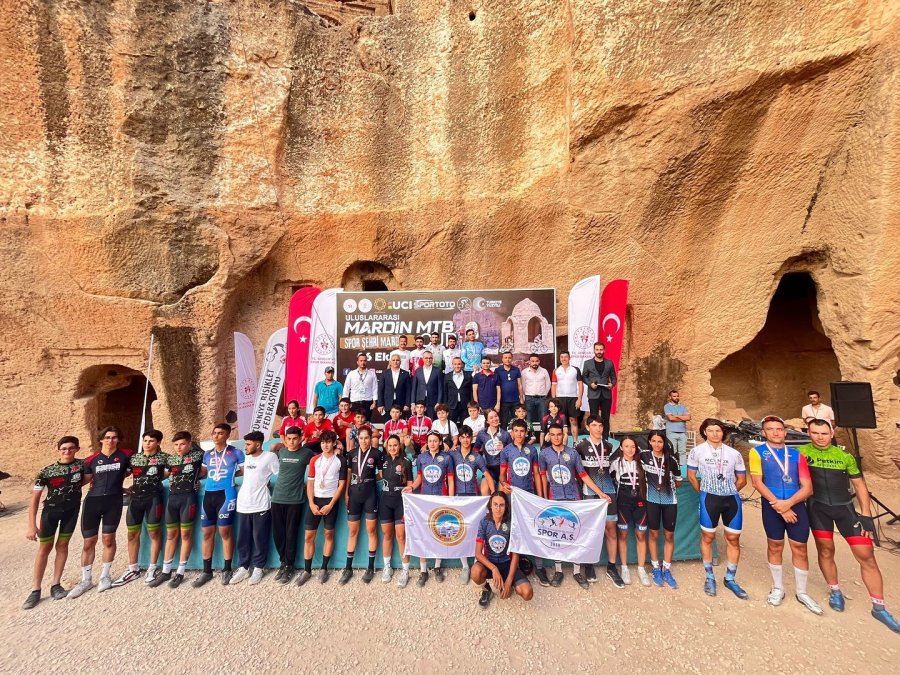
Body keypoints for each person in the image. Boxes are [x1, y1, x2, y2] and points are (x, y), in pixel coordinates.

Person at [799, 419, 900, 632]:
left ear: (832, 432)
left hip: (845, 509)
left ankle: (879, 607)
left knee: (867, 555)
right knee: (826, 550)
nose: (819, 437)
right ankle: (835, 590)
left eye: (824, 433)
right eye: (815, 433)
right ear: (808, 433)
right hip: (818, 509)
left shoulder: (845, 457)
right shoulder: (801, 453)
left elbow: (860, 485)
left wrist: (865, 516)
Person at [748, 416, 821, 614]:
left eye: (779, 429)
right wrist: (780, 507)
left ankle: (802, 591)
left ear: (785, 432)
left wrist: (788, 505)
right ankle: (778, 587)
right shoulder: (757, 452)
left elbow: (808, 488)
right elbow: (757, 482)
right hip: (772, 505)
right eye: (770, 429)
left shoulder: (797, 455)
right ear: (763, 432)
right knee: (775, 545)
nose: (775, 432)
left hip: (794, 504)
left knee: (800, 547)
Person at [539, 424, 610, 588]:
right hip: (554, 498)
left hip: (573, 498)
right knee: (556, 535)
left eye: (559, 435)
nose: (556, 438)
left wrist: (600, 493)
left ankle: (577, 571)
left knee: (575, 534)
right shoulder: (544, 454)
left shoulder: (572, 453)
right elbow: (543, 476)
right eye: (553, 435)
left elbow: (583, 475)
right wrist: (543, 497)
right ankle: (559, 570)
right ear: (549, 436)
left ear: (564, 436)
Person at [687, 418, 748, 599]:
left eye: (718, 430)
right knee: (708, 536)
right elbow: (691, 476)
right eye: (711, 430)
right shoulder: (696, 451)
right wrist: (705, 492)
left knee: (733, 539)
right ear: (704, 432)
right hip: (709, 498)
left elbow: (742, 479)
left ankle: (730, 578)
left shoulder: (733, 453)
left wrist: (728, 491)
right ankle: (709, 576)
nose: (715, 434)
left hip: (731, 499)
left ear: (723, 433)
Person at [68, 426, 132, 599]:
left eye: (114, 437)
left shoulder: (126, 455)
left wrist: (129, 488)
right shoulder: (91, 459)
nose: (110, 440)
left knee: (108, 539)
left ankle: (105, 575)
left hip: (113, 501)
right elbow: (84, 481)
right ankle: (86, 580)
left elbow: (140, 470)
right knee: (89, 541)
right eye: (107, 437)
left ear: (118, 439)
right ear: (101, 440)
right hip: (93, 501)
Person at [23, 436, 87, 609]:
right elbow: (35, 499)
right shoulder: (47, 471)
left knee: (62, 546)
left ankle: (56, 584)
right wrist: (32, 525)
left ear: (77, 449)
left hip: (71, 512)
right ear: (59, 450)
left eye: (71, 448)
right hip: (50, 513)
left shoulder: (82, 466)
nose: (67, 451)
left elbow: (88, 479)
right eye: (64, 449)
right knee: (44, 549)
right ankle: (35, 590)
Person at [148, 431, 204, 589]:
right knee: (171, 535)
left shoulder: (197, 456)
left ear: (190, 443)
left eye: (183, 444)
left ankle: (180, 572)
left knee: (186, 534)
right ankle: (166, 571)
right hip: (173, 499)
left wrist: (199, 480)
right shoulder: (170, 459)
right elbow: (162, 472)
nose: (179, 447)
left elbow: (208, 467)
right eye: (176, 445)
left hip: (188, 498)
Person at [193, 423, 245, 588]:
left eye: (220, 433)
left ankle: (227, 568)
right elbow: (203, 473)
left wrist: (231, 475)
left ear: (227, 435)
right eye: (214, 433)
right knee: (207, 532)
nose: (216, 436)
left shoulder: (236, 452)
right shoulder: (207, 454)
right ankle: (207, 571)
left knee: (225, 532)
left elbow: (244, 471)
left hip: (226, 494)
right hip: (209, 495)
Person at [113, 429, 167, 588]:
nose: (147, 444)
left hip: (154, 498)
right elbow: (122, 474)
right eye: (145, 441)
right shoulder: (134, 458)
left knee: (154, 533)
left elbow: (173, 471)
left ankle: (152, 568)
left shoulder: (164, 457)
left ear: (158, 443)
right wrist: (122, 489)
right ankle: (133, 569)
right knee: (132, 534)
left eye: (151, 441)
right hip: (135, 499)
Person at [574, 416, 624, 588]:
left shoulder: (610, 446)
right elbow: (580, 473)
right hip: (591, 492)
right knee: (591, 530)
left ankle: (611, 566)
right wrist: (599, 493)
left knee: (611, 529)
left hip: (609, 491)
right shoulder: (579, 446)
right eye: (594, 425)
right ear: (587, 427)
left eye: (600, 425)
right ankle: (588, 565)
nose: (597, 428)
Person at [498, 419, 547, 583]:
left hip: (529, 495)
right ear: (511, 432)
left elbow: (537, 474)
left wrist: (540, 496)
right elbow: (502, 475)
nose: (519, 434)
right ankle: (514, 565)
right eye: (516, 431)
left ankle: (540, 568)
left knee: (534, 528)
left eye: (522, 431)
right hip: (513, 496)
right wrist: (503, 484)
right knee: (513, 529)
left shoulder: (532, 450)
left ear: (526, 433)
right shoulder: (505, 451)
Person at [230, 431, 279, 585]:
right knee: (243, 538)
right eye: (245, 444)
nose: (246, 447)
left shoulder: (270, 457)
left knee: (260, 537)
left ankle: (258, 568)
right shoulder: (247, 457)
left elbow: (279, 474)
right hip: (244, 503)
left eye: (248, 444)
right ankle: (244, 567)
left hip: (261, 504)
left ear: (258, 444)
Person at [297, 431, 346, 585]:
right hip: (315, 501)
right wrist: (311, 503)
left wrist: (331, 504)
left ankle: (324, 568)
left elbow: (342, 485)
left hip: (331, 501)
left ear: (334, 443)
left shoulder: (341, 460)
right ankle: (307, 570)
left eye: (328, 442)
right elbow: (310, 483)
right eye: (323, 442)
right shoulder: (314, 460)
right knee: (308, 537)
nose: (325, 445)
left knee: (328, 534)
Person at [472, 491, 534, 607]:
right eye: (495, 504)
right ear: (490, 505)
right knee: (475, 572)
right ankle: (486, 589)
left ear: (506, 507)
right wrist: (494, 568)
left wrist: (509, 580)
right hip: (490, 563)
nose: (498, 508)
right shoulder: (484, 522)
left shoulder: (511, 524)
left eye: (501, 505)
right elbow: (478, 553)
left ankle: (508, 585)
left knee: (527, 593)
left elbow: (515, 554)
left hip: (507, 564)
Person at [450, 428, 495, 582]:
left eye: (468, 437)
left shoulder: (477, 456)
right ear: (459, 439)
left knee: (478, 532)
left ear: (471, 439)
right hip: (458, 498)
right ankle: (464, 566)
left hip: (473, 499)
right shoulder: (453, 454)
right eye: (462, 437)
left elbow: (487, 475)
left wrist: (494, 495)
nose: (465, 440)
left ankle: (478, 561)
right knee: (460, 531)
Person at [270, 426, 314, 584]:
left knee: (291, 534)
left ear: (301, 438)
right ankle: (283, 563)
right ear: (285, 439)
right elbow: (272, 451)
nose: (292, 441)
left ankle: (290, 565)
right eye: (289, 439)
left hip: (295, 500)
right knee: (278, 534)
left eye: (295, 438)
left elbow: (319, 465)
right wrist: (274, 446)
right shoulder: (281, 452)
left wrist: (309, 485)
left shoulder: (306, 453)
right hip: (277, 498)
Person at [411, 431, 456, 585]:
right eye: (430, 441)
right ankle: (423, 570)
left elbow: (450, 480)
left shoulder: (447, 458)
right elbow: (419, 479)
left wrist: (449, 500)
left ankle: (437, 567)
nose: (432, 443)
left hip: (441, 500)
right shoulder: (421, 458)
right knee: (423, 534)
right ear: (427, 442)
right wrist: (410, 488)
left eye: (435, 441)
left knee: (439, 533)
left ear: (440, 442)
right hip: (425, 501)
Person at [640, 431, 682, 588]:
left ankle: (667, 568)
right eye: (654, 441)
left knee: (669, 535)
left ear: (664, 443)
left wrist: (667, 486)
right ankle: (656, 568)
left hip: (669, 501)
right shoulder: (643, 456)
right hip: (651, 500)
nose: (657, 444)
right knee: (653, 533)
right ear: (649, 442)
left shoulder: (671, 460)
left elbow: (679, 482)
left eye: (660, 441)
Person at [341, 427, 380, 585]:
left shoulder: (377, 453)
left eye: (366, 438)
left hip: (370, 493)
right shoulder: (351, 453)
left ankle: (370, 568)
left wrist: (369, 478)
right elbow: (349, 474)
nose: (364, 441)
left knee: (371, 530)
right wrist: (346, 492)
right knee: (353, 531)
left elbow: (382, 473)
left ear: (371, 438)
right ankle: (348, 567)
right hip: (354, 494)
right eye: (361, 438)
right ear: (357, 439)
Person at [610, 437, 650, 587]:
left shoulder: (643, 464)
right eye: (626, 446)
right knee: (623, 534)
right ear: (621, 448)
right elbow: (608, 479)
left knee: (640, 534)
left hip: (640, 503)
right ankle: (624, 567)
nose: (630, 449)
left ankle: (641, 568)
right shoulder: (615, 464)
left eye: (632, 446)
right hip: (623, 503)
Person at [378, 434, 414, 587]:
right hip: (385, 500)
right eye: (390, 445)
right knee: (387, 535)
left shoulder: (406, 462)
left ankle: (405, 570)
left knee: (401, 537)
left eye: (395, 445)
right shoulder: (383, 461)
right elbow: (379, 476)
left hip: (400, 502)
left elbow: (411, 485)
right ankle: (387, 567)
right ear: (386, 446)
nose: (392, 448)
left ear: (399, 446)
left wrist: (409, 490)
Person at [581, 342, 617, 439]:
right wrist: (590, 384)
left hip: (606, 394)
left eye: (601, 350)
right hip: (593, 394)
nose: (599, 352)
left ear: (604, 350)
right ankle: (593, 438)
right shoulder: (587, 363)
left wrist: (612, 384)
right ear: (594, 350)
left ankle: (605, 439)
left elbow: (614, 378)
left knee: (605, 418)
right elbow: (584, 377)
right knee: (593, 418)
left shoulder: (609, 363)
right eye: (597, 350)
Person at [551, 351, 583, 444]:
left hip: (573, 398)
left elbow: (580, 384)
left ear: (569, 358)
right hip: (560, 399)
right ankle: (560, 443)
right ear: (559, 358)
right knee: (560, 421)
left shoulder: (575, 370)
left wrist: (579, 399)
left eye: (566, 357)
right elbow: (553, 385)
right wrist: (554, 401)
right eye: (562, 357)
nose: (564, 359)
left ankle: (575, 442)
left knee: (573, 420)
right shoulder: (556, 370)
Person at [474, 409, 511, 486]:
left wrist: (504, 449)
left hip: (504, 469)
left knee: (502, 491)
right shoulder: (482, 434)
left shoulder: (505, 434)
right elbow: (476, 451)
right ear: (487, 421)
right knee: (484, 489)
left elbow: (513, 453)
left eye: (496, 416)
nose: (494, 419)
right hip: (489, 469)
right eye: (491, 417)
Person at [342, 353, 377, 422]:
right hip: (354, 403)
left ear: (366, 361)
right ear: (357, 362)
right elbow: (346, 388)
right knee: (354, 423)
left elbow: (375, 388)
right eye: (361, 360)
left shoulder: (372, 374)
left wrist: (374, 402)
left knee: (366, 423)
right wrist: (345, 403)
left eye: (364, 360)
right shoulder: (351, 374)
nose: (362, 362)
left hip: (367, 403)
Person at [377, 353, 412, 417]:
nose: (395, 362)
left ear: (400, 362)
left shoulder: (405, 374)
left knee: (400, 425)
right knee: (388, 424)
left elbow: (408, 391)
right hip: (387, 404)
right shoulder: (385, 373)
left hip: (401, 405)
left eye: (397, 360)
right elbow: (380, 389)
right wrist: (380, 404)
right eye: (393, 360)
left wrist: (407, 404)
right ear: (390, 362)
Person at [411, 350, 444, 418]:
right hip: (419, 402)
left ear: (432, 359)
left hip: (433, 402)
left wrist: (439, 402)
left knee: (432, 422)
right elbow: (414, 388)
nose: (428, 360)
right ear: (423, 359)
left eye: (430, 358)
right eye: (426, 358)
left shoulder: (438, 371)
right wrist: (413, 403)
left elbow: (440, 388)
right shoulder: (418, 371)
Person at [522, 353, 551, 427]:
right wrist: (525, 396)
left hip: (542, 399)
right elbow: (523, 385)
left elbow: (548, 384)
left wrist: (544, 394)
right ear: (529, 362)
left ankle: (543, 436)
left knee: (543, 418)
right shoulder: (524, 372)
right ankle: (530, 436)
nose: (534, 363)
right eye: (532, 361)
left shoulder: (544, 371)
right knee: (528, 419)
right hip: (529, 398)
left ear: (539, 361)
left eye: (536, 361)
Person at [496, 351, 524, 427]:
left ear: (512, 359)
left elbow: (520, 384)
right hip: (503, 400)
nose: (507, 359)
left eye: (509, 358)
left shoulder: (516, 369)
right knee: (503, 421)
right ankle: (505, 438)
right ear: (502, 359)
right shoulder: (498, 370)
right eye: (505, 358)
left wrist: (521, 398)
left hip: (515, 400)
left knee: (516, 421)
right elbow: (497, 386)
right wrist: (498, 402)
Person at [664, 390, 691, 466]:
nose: (676, 397)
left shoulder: (683, 407)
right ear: (670, 397)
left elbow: (688, 418)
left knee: (682, 452)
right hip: (671, 432)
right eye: (674, 396)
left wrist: (677, 416)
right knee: (672, 451)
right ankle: (672, 469)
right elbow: (671, 418)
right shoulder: (667, 406)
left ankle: (683, 470)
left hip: (682, 432)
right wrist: (683, 417)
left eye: (677, 396)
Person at [443, 357, 474, 425]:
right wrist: (445, 405)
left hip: (465, 405)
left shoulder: (468, 376)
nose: (457, 366)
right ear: (452, 365)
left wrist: (471, 403)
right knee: (451, 425)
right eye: (455, 364)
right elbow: (445, 392)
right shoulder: (447, 376)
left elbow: (471, 391)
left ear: (462, 365)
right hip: (451, 405)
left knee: (465, 425)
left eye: (459, 364)